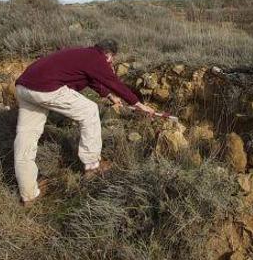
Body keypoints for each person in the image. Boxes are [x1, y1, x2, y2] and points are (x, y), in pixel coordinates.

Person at [12, 38, 155, 206]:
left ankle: (28, 194)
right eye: (112, 59)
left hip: (24, 88)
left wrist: (110, 96)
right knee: (90, 110)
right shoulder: (97, 59)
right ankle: (92, 165)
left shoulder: (82, 54)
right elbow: (113, 81)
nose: (112, 62)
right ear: (109, 54)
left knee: (26, 137)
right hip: (47, 89)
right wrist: (138, 104)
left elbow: (93, 80)